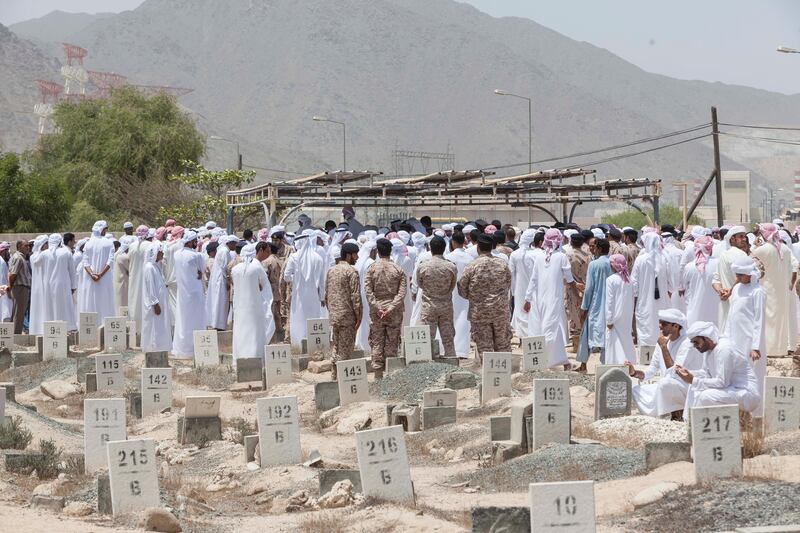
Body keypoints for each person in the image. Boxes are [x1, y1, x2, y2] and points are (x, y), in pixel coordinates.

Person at [523, 229, 579, 370]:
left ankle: (563, 361)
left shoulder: (542, 257)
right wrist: (577, 295)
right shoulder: (560, 257)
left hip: (540, 299)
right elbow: (570, 279)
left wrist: (528, 298)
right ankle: (544, 362)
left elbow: (533, 280)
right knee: (550, 330)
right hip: (552, 299)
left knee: (554, 329)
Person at [679, 321, 759, 415]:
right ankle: (690, 423)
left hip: (746, 394)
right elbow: (706, 373)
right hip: (732, 390)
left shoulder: (724, 349)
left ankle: (703, 425)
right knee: (694, 387)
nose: (695, 346)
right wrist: (687, 373)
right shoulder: (709, 350)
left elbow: (722, 382)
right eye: (693, 343)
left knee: (706, 396)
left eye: (696, 342)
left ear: (706, 338)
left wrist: (693, 379)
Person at [459, 234, 512, 363]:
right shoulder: (502, 264)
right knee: (503, 345)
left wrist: (475, 298)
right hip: (500, 311)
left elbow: (462, 289)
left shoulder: (472, 266)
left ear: (478, 248)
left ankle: (489, 376)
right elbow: (508, 284)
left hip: (480, 312)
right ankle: (505, 376)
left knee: (484, 347)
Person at [724, 256, 767, 412]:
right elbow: (731, 315)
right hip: (735, 339)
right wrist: (726, 337)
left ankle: (755, 414)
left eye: (741, 275)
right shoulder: (736, 289)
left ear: (750, 273)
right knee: (736, 374)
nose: (738, 278)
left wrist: (755, 346)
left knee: (752, 376)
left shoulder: (758, 292)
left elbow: (759, 320)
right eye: (737, 274)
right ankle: (740, 413)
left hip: (750, 342)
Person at [365, 238, 407, 377]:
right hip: (393, 312)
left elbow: (368, 291)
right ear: (390, 251)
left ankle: (377, 374)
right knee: (392, 341)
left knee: (377, 341)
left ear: (378, 252)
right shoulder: (398, 269)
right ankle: (391, 374)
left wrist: (377, 307)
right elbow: (402, 293)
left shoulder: (371, 269)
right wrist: (391, 308)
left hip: (376, 312)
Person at [751, 223, 793, 356]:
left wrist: (755, 245)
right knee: (780, 318)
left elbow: (749, 259)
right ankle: (780, 349)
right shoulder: (785, 249)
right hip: (782, 291)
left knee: (768, 319)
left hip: (767, 289)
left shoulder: (763, 249)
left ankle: (769, 349)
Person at [283, 229, 327, 350]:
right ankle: (314, 348)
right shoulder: (318, 258)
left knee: (298, 320)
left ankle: (297, 347)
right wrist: (322, 297)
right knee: (313, 319)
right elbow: (322, 282)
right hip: (314, 297)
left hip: (299, 297)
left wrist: (295, 279)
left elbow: (286, 277)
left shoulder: (294, 257)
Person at [231, 243, 274, 363]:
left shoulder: (235, 270)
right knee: (254, 332)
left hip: (239, 307)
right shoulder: (256, 268)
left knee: (241, 332)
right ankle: (255, 357)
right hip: (254, 306)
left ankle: (239, 359)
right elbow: (265, 286)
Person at [325, 242, 362, 380]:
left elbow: (326, 294)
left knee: (336, 346)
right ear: (348, 255)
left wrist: (332, 311)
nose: (357, 257)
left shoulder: (331, 270)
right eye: (355, 254)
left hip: (334, 316)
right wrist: (359, 316)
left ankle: (334, 376)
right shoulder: (351, 272)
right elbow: (355, 296)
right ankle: (342, 381)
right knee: (345, 350)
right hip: (347, 317)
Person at [416, 236, 457, 357]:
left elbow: (420, 284)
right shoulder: (451, 267)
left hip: (429, 306)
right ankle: (452, 363)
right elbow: (452, 285)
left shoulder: (423, 266)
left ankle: (426, 364)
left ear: (430, 248)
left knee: (426, 339)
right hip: (446, 307)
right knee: (448, 339)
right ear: (444, 249)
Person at [576, 238, 612, 371]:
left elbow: (589, 288)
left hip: (595, 304)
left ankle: (583, 364)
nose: (593, 250)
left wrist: (584, 307)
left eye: (595, 247)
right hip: (609, 305)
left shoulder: (594, 264)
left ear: (600, 249)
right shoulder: (612, 263)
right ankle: (606, 365)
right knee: (608, 336)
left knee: (586, 333)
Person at [171, 231, 207, 359]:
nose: (196, 243)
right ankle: (194, 349)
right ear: (190, 241)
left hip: (182, 293)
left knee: (183, 320)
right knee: (196, 320)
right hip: (195, 293)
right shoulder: (196, 256)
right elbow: (201, 270)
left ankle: (182, 349)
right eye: (195, 241)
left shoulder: (176, 254)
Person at [631, 232, 670, 346]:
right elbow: (671, 282)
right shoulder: (665, 258)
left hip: (645, 301)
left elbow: (634, 282)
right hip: (663, 301)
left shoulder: (641, 260)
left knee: (646, 324)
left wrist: (635, 297)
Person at [79, 221, 116, 324]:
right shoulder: (109, 243)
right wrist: (100, 274)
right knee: (105, 301)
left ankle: (91, 326)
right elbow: (110, 261)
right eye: (105, 229)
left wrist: (92, 274)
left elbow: (85, 262)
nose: (105, 231)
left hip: (90, 279)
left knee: (90, 302)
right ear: (101, 230)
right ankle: (105, 326)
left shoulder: (88, 243)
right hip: (104, 278)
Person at [604, 253, 635, 365]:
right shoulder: (629, 280)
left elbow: (610, 301)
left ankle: (615, 363)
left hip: (615, 317)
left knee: (614, 341)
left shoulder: (611, 280)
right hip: (626, 316)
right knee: (625, 339)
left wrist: (609, 320)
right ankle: (628, 361)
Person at [445, 232, 473, 358]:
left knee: (450, 319)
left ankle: (448, 349)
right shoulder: (470, 259)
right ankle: (461, 350)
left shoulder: (448, 257)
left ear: (453, 242)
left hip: (450, 292)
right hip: (466, 293)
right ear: (464, 242)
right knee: (463, 319)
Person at [682, 235, 719, 326]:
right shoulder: (718, 263)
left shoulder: (689, 267)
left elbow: (685, 287)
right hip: (715, 311)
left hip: (694, 311)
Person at [141, 243, 171, 353]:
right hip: (154, 304)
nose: (162, 253)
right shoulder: (149, 267)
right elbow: (150, 288)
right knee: (154, 326)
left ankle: (161, 347)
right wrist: (155, 303)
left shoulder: (155, 266)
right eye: (160, 251)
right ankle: (153, 348)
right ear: (154, 253)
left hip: (159, 301)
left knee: (159, 325)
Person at [509, 229, 538, 338]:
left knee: (521, 313)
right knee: (532, 313)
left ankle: (522, 340)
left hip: (519, 289)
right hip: (534, 289)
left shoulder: (514, 254)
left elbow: (511, 274)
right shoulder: (537, 254)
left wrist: (512, 291)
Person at [565, 232, 591, 350]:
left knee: (573, 315)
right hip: (585, 288)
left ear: (571, 242)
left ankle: (576, 345)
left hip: (572, 289)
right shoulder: (588, 256)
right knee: (584, 314)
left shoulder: (567, 255)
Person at [48, 234, 77, 331]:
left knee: (55, 306)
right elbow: (72, 271)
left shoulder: (47, 253)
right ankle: (69, 327)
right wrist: (73, 286)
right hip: (64, 284)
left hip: (51, 284)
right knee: (66, 306)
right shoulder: (66, 252)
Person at [206, 235, 235, 330]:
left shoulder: (222, 250)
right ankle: (219, 324)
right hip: (221, 280)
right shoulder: (225, 251)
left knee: (218, 302)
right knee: (221, 302)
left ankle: (218, 323)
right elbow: (225, 267)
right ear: (230, 243)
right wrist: (227, 280)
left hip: (219, 279)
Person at [355, 239, 377, 354]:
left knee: (362, 319)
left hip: (361, 294)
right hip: (369, 295)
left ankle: (361, 343)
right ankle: (367, 346)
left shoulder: (360, 262)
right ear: (372, 251)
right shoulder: (370, 263)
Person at [127, 225, 151, 325]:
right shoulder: (150, 245)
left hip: (134, 278)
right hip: (146, 278)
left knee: (134, 301)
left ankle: (134, 327)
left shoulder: (132, 246)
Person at [260, 242, 283, 343]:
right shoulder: (280, 260)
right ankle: (280, 334)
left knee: (271, 314)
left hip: (271, 289)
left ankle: (273, 337)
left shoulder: (266, 261)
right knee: (278, 313)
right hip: (279, 289)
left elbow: (265, 277)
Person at [29, 235, 51, 336]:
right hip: (41, 285)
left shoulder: (33, 256)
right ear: (43, 244)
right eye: (47, 244)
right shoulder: (42, 256)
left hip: (40, 286)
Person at [114, 236, 135, 313]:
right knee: (123, 302)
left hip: (121, 281)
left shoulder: (119, 254)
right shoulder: (123, 257)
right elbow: (131, 270)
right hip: (122, 283)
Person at [0, 242, 13, 322]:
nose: (9, 252)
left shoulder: (4, 261)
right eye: (7, 250)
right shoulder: (1, 262)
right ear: (2, 251)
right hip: (3, 292)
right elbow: (1, 279)